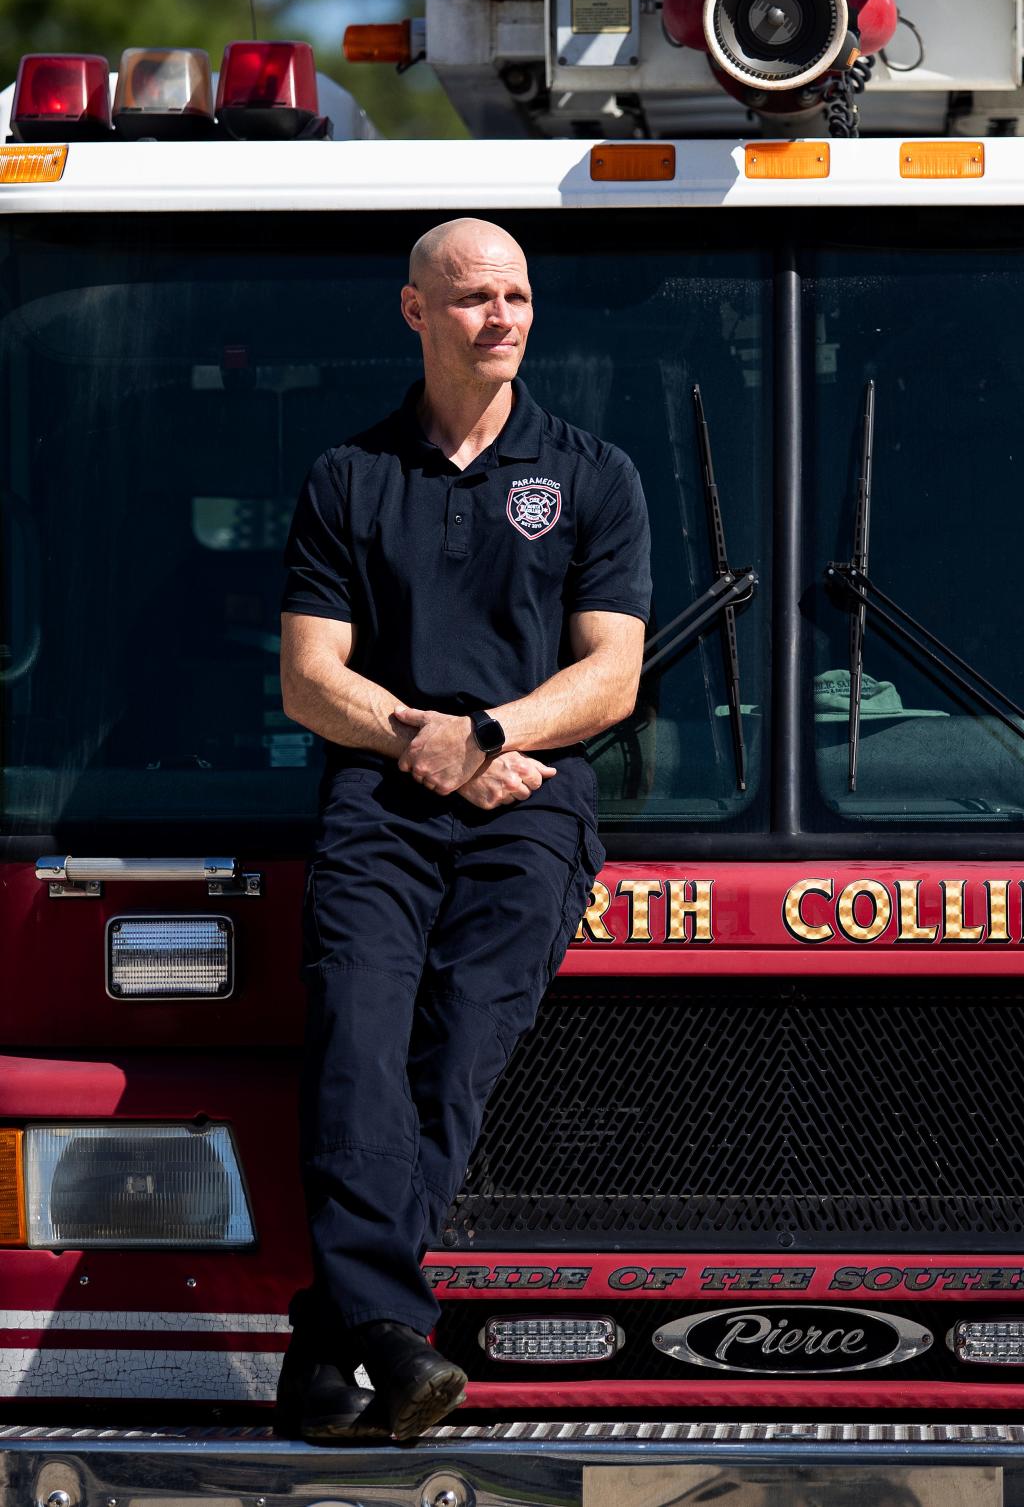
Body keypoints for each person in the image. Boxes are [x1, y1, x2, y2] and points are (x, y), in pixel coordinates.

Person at [274, 218, 650, 1443]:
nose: (505, 316)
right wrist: (417, 741)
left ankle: (339, 1334)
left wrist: (482, 735)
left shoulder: (593, 473)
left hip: (532, 807)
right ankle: (384, 1331)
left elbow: (612, 677)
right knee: (357, 1038)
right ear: (415, 311)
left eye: (520, 295)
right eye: (478, 297)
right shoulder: (348, 475)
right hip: (377, 806)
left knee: (459, 1051)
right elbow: (306, 677)